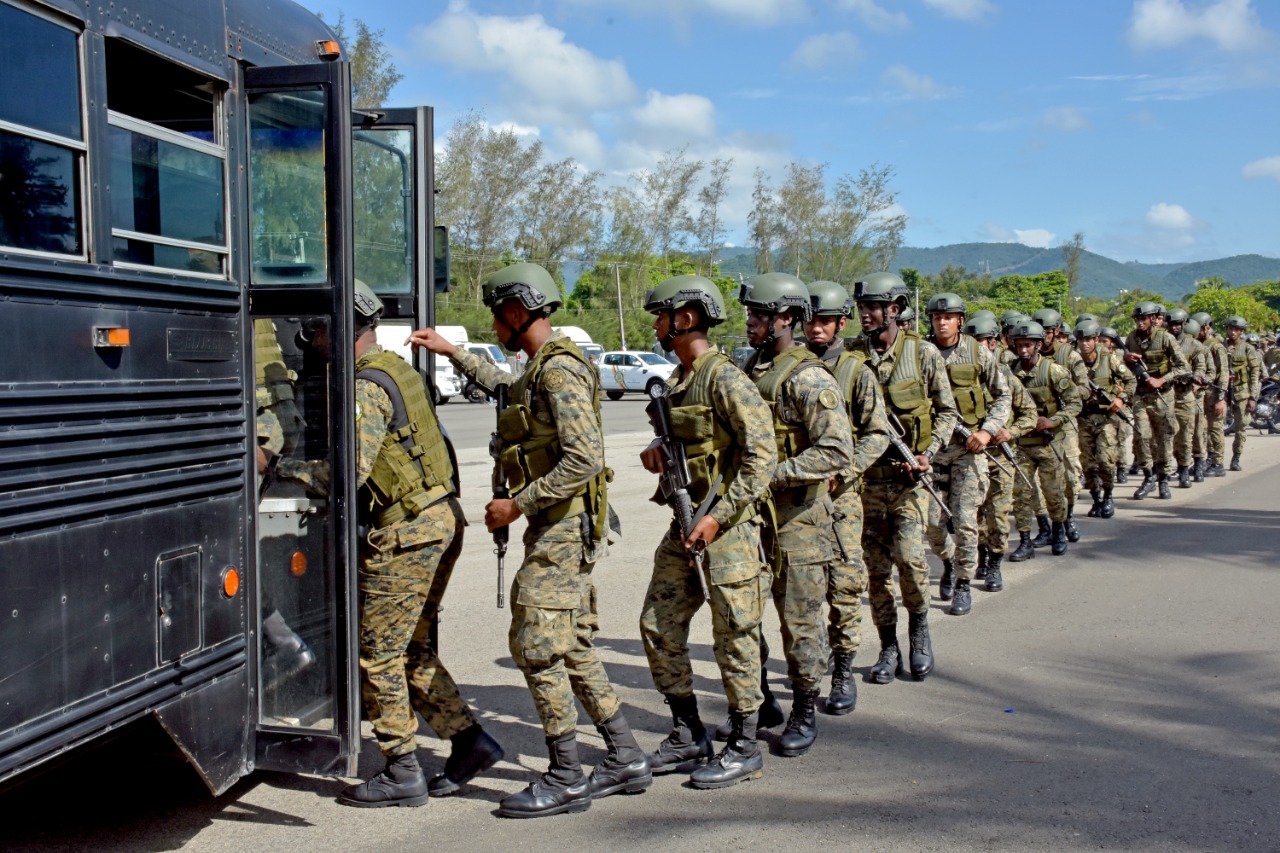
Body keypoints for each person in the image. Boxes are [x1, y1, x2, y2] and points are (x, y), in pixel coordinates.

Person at [408, 263, 650, 818]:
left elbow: (585, 458)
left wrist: (517, 504)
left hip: (563, 529)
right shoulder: (541, 367)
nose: (495, 328)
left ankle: (566, 775)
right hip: (559, 524)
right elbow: (507, 388)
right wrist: (453, 353)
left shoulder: (558, 372)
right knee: (572, 644)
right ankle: (626, 756)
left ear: (517, 312)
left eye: (497, 317)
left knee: (536, 645)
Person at [264, 282, 502, 808]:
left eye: (318, 330)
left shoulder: (364, 387)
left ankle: (402, 769)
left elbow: (347, 474)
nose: (311, 341)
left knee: (377, 654)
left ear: (341, 328)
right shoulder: (396, 369)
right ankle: (469, 742)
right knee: (411, 647)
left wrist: (279, 466)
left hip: (408, 532)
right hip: (437, 518)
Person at [637, 275, 775, 789]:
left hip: (727, 530)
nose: (656, 325)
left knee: (735, 636)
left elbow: (762, 457)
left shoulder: (725, 379)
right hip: (685, 522)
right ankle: (688, 732)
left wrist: (720, 515)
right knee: (657, 623)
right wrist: (657, 449)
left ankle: (744, 743)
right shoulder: (679, 379)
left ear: (686, 318)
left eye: (661, 316)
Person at [737, 272, 853, 757]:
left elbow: (837, 451)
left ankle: (804, 710)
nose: (750, 322)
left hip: (798, 521)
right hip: (752, 519)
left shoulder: (808, 377)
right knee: (742, 615)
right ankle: (760, 702)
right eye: (750, 314)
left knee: (799, 621)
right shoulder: (749, 368)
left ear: (786, 318)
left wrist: (773, 474)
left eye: (759, 315)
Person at [847, 272, 958, 683]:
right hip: (867, 481)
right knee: (876, 571)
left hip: (909, 481)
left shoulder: (922, 353)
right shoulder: (851, 356)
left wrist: (929, 453)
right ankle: (888, 646)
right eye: (861, 308)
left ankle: (920, 632)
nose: (865, 314)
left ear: (894, 310)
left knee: (911, 562)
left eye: (873, 308)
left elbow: (947, 412)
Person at [803, 280, 890, 711]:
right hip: (797, 495)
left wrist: (845, 469)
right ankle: (808, 665)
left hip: (840, 498)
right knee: (801, 588)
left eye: (825, 321)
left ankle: (842, 668)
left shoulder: (857, 372)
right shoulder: (786, 366)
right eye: (810, 320)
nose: (816, 328)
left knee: (843, 584)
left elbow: (877, 433)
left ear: (841, 323)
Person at [923, 293, 1011, 616]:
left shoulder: (977, 352)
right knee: (932, 524)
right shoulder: (921, 353)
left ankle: (963, 581)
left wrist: (987, 431)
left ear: (960, 320)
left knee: (965, 520)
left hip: (968, 449)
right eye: (937, 317)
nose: (942, 322)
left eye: (948, 317)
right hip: (933, 450)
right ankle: (948, 561)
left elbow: (1003, 395)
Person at [966, 315, 1036, 588]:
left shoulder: (1007, 378)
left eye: (980, 342)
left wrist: (1011, 432)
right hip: (970, 458)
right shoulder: (958, 378)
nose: (975, 348)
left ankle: (995, 562)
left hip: (1000, 458)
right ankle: (981, 556)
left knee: (997, 513)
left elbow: (1029, 414)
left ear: (993, 344)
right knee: (973, 515)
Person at [1008, 320, 1081, 560]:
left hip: (1049, 443)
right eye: (1019, 345)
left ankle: (1058, 532)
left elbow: (1075, 402)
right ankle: (1025, 540)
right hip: (1021, 444)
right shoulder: (1009, 371)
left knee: (1053, 492)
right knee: (1021, 495)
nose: (1023, 350)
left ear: (1038, 345)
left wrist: (1053, 420)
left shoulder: (1053, 371)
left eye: (1028, 345)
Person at [1032, 308, 1088, 543]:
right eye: (1040, 331)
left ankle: (1068, 518)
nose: (1044, 336)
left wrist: (1062, 396)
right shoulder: (1024, 357)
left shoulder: (1069, 356)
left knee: (1071, 473)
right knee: (1035, 480)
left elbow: (1084, 389)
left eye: (1048, 331)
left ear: (1056, 331)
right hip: (1034, 425)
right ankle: (1045, 525)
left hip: (1063, 422)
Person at [1123, 301, 1190, 498]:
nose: (1139, 322)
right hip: (1140, 394)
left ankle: (1163, 480)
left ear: (1153, 319)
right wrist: (1125, 359)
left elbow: (1183, 367)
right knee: (1142, 436)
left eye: (1143, 318)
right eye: (1137, 319)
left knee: (1164, 438)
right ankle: (1148, 476)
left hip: (1163, 396)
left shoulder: (1165, 338)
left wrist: (1162, 380)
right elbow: (1123, 367)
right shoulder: (1131, 338)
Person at [1075, 321, 1135, 520]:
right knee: (1087, 463)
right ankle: (1096, 498)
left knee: (1105, 460)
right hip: (1083, 418)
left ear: (1095, 340)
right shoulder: (1073, 361)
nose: (1084, 343)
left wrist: (1121, 399)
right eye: (1081, 340)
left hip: (1106, 418)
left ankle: (1108, 495)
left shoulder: (1109, 359)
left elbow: (1131, 380)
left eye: (1088, 339)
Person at [1166, 309, 1207, 488]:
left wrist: (1197, 377)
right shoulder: (1162, 341)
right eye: (1171, 324)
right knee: (1164, 435)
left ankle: (1184, 469)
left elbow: (1201, 366)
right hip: (1165, 393)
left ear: (1184, 324)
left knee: (1185, 435)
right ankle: (1163, 470)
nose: (1174, 327)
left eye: (1178, 323)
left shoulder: (1194, 345)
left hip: (1184, 394)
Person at [1193, 313, 1231, 477]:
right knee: (1201, 430)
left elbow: (1224, 373)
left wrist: (1221, 398)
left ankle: (1218, 463)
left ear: (1207, 328)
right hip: (1200, 394)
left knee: (1215, 429)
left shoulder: (1216, 347)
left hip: (1214, 393)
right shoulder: (1196, 344)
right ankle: (1206, 460)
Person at [1223, 316, 1262, 472]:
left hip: (1242, 393)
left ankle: (1236, 458)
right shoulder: (1221, 347)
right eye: (1230, 329)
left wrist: (1253, 397)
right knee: (1214, 427)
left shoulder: (1247, 349)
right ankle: (1213, 460)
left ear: (1241, 331)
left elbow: (1254, 373)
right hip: (1222, 392)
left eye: (1236, 330)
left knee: (1241, 428)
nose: (1233, 332)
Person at [1100, 327, 1133, 484]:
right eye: (1099, 341)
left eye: (1105, 341)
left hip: (1118, 402)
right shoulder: (1097, 357)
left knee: (1120, 438)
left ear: (1112, 343)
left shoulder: (1120, 357)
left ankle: (1121, 468)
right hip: (1103, 403)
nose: (1101, 344)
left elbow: (1129, 378)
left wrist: (1123, 394)